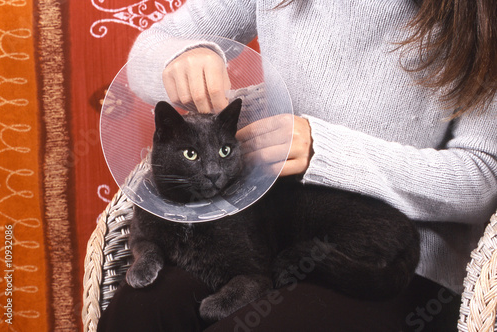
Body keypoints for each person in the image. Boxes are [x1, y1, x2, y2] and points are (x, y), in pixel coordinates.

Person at [98, 0, 497, 331]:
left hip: (394, 261)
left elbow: (483, 178)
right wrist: (180, 57)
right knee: (138, 315)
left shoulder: (479, 15)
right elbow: (148, 51)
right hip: (254, 234)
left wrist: (327, 150)